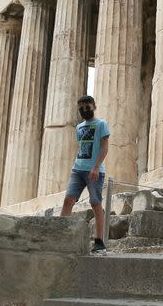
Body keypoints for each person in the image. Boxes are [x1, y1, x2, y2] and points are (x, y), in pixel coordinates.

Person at [61, 95, 110, 253]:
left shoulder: (102, 124)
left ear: (94, 106)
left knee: (95, 204)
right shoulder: (79, 127)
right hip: (78, 169)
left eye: (87, 107)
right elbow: (82, 147)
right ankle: (60, 234)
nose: (84, 110)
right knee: (68, 201)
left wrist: (96, 167)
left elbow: (104, 147)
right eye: (81, 108)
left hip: (94, 170)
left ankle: (99, 240)